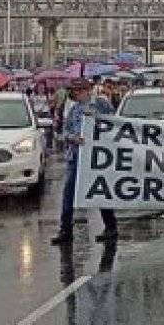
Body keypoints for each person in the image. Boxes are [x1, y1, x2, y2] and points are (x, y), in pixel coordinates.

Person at [52, 79, 118, 245]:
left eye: (79, 91)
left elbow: (113, 124)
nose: (76, 94)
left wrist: (96, 123)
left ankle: (111, 227)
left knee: (100, 191)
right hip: (76, 156)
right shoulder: (74, 110)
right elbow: (65, 130)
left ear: (87, 90)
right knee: (69, 193)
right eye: (74, 91)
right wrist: (72, 138)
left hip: (96, 156)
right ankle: (65, 230)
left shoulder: (101, 104)